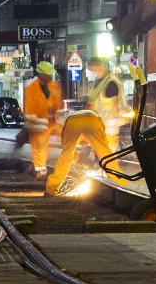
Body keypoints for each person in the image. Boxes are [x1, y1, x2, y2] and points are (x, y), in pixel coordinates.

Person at [45, 57, 126, 195]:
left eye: (93, 71)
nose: (93, 74)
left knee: (67, 157)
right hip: (97, 124)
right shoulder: (102, 83)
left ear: (99, 66)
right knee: (107, 157)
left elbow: (113, 104)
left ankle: (51, 189)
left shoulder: (110, 83)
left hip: (103, 125)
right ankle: (119, 184)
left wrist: (82, 159)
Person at [22, 61, 61, 180]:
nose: (50, 76)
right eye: (48, 74)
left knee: (65, 145)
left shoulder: (53, 86)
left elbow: (57, 105)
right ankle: (40, 171)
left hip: (51, 123)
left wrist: (58, 122)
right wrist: (34, 125)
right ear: (41, 75)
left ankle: (48, 169)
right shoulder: (31, 88)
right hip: (37, 125)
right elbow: (30, 110)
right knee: (39, 148)